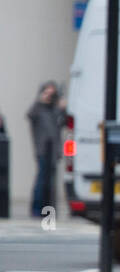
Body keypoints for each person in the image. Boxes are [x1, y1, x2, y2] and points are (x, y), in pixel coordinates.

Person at [27, 81, 65, 218]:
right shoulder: (38, 108)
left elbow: (64, 121)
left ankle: (49, 209)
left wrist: (62, 107)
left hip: (54, 150)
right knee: (41, 179)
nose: (49, 96)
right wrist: (40, 100)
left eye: (52, 93)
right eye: (47, 92)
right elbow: (30, 115)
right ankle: (37, 209)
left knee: (52, 181)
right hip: (42, 150)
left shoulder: (55, 110)